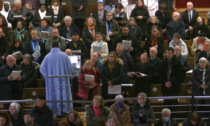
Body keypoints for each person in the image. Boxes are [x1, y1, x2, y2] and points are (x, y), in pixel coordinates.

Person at [40, 41, 73, 115]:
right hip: (63, 80)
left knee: (53, 95)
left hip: (51, 81)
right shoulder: (64, 55)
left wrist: (47, 76)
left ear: (51, 46)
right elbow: (70, 68)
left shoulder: (47, 56)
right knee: (64, 93)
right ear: (59, 46)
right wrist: (69, 75)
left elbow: (41, 68)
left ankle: (55, 111)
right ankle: (65, 110)